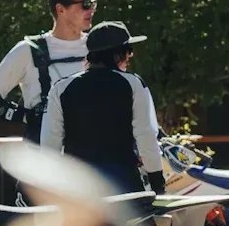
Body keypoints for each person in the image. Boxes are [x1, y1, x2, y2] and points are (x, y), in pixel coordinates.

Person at [42, 21, 164, 196]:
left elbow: (50, 144)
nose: (130, 55)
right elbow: (146, 136)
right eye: (128, 49)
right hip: (123, 185)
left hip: (77, 188)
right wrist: (157, 181)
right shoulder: (133, 83)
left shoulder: (60, 88)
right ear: (116, 54)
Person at [0, 0, 97, 142]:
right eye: (86, 5)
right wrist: (26, 117)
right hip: (45, 158)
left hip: (93, 154)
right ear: (61, 9)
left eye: (93, 4)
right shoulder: (28, 50)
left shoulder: (98, 47)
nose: (91, 10)